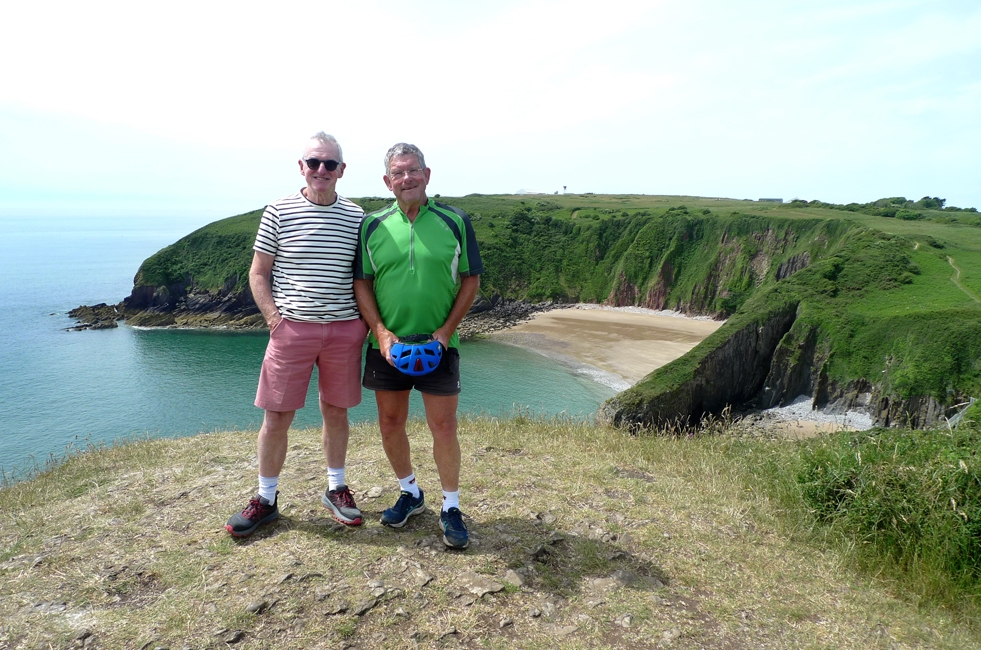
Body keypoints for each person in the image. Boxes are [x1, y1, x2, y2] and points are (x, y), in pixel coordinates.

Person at [225, 132, 369, 537]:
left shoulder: (356, 216)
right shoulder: (278, 211)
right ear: (301, 166)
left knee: (336, 411)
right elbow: (258, 272)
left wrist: (363, 324)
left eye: (330, 164)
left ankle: (336, 489)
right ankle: (266, 499)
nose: (321, 170)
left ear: (342, 170)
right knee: (277, 416)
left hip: (344, 329)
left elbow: (365, 277)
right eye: (314, 162)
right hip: (291, 328)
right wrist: (274, 319)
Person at [354, 143, 483, 549]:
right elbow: (362, 282)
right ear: (387, 181)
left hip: (439, 345)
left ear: (427, 174)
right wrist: (380, 332)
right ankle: (410, 492)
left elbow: (471, 279)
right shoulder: (371, 226)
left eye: (413, 170)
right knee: (390, 424)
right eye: (398, 172)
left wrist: (445, 332)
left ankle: (451, 506)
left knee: (443, 426)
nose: (406, 178)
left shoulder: (455, 220)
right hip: (387, 346)